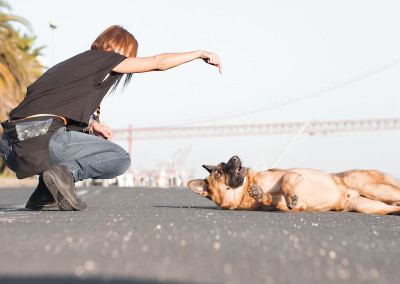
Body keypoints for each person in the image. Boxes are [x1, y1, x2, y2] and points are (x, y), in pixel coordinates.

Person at [0, 25, 222, 211]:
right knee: (119, 158)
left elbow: (45, 107)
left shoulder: (69, 67)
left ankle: (44, 194)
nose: (124, 59)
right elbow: (157, 62)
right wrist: (198, 53)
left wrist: (91, 125)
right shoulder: (104, 59)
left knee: (72, 139)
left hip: (10, 146)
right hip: (41, 141)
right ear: (111, 47)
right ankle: (67, 173)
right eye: (126, 53)